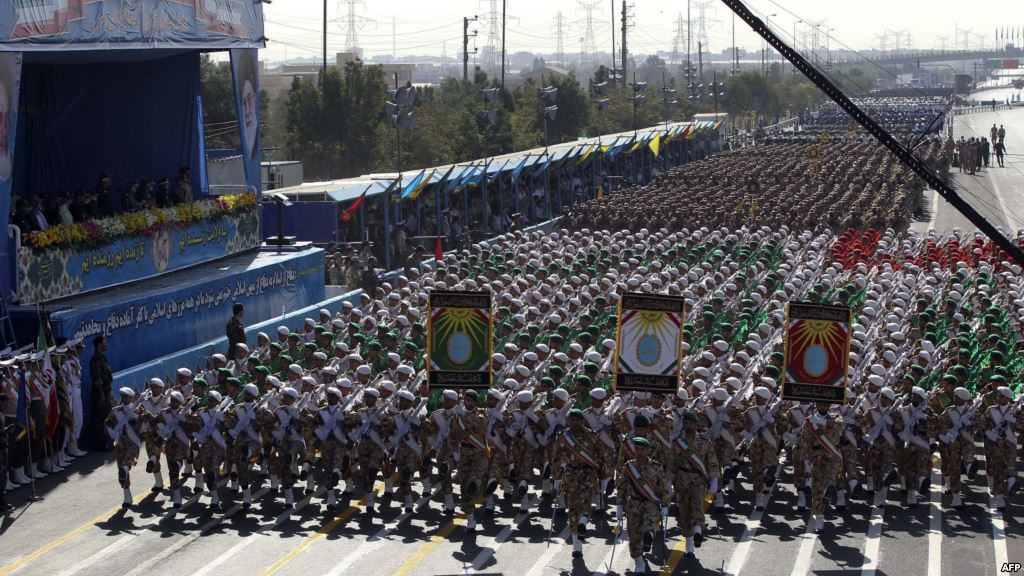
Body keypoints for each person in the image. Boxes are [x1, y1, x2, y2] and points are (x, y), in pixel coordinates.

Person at [90, 336, 114, 451]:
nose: (106, 344)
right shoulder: (96, 359)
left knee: (106, 417)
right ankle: (100, 444)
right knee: (101, 419)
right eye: (104, 342)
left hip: (106, 391)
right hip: (101, 393)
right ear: (99, 344)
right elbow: (97, 379)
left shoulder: (102, 358)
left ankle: (106, 442)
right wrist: (102, 395)